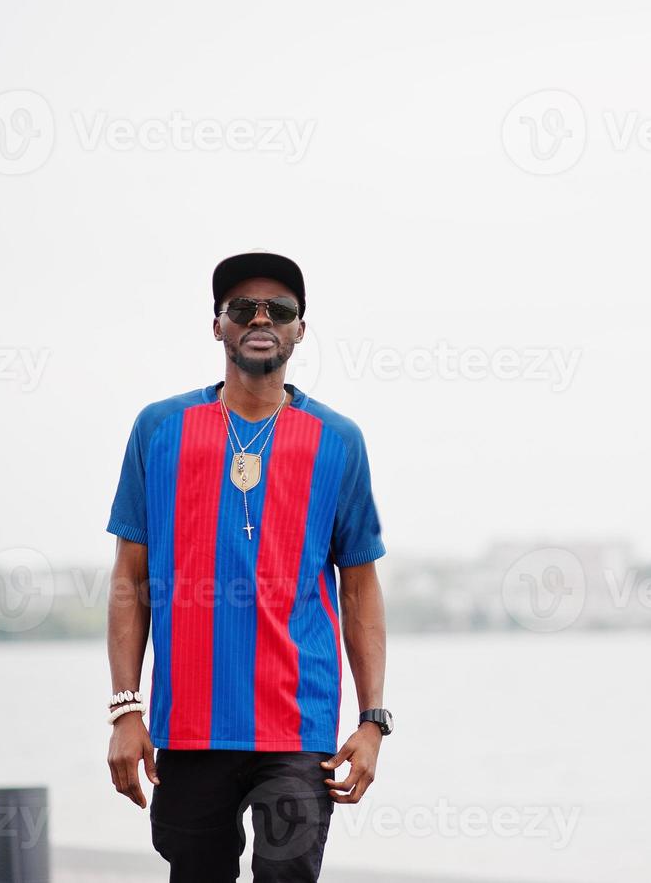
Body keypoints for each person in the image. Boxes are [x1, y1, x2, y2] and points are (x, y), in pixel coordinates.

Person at [103, 251, 394, 882]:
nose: (261, 318)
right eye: (242, 308)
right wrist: (127, 709)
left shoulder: (338, 440)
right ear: (218, 326)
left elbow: (361, 588)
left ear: (299, 329)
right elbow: (130, 580)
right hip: (190, 728)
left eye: (280, 309)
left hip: (298, 730)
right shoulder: (159, 430)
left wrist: (373, 721)